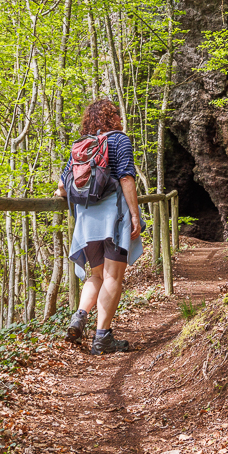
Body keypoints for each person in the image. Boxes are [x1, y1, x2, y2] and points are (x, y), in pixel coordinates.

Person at [58, 99, 142, 355]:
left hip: (86, 218)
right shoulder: (119, 140)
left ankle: (80, 316)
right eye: (116, 114)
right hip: (113, 216)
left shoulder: (82, 147)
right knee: (112, 276)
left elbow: (62, 187)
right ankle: (102, 337)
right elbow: (126, 177)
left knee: (96, 274)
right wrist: (135, 215)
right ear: (112, 118)